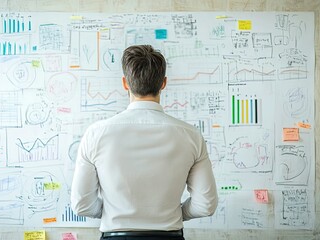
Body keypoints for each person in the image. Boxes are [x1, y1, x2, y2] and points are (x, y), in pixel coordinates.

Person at [71, 45, 218, 240]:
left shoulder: (96, 134)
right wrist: (175, 213)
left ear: (125, 83)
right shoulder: (191, 135)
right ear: (163, 83)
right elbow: (205, 205)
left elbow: (82, 204)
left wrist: (113, 212)